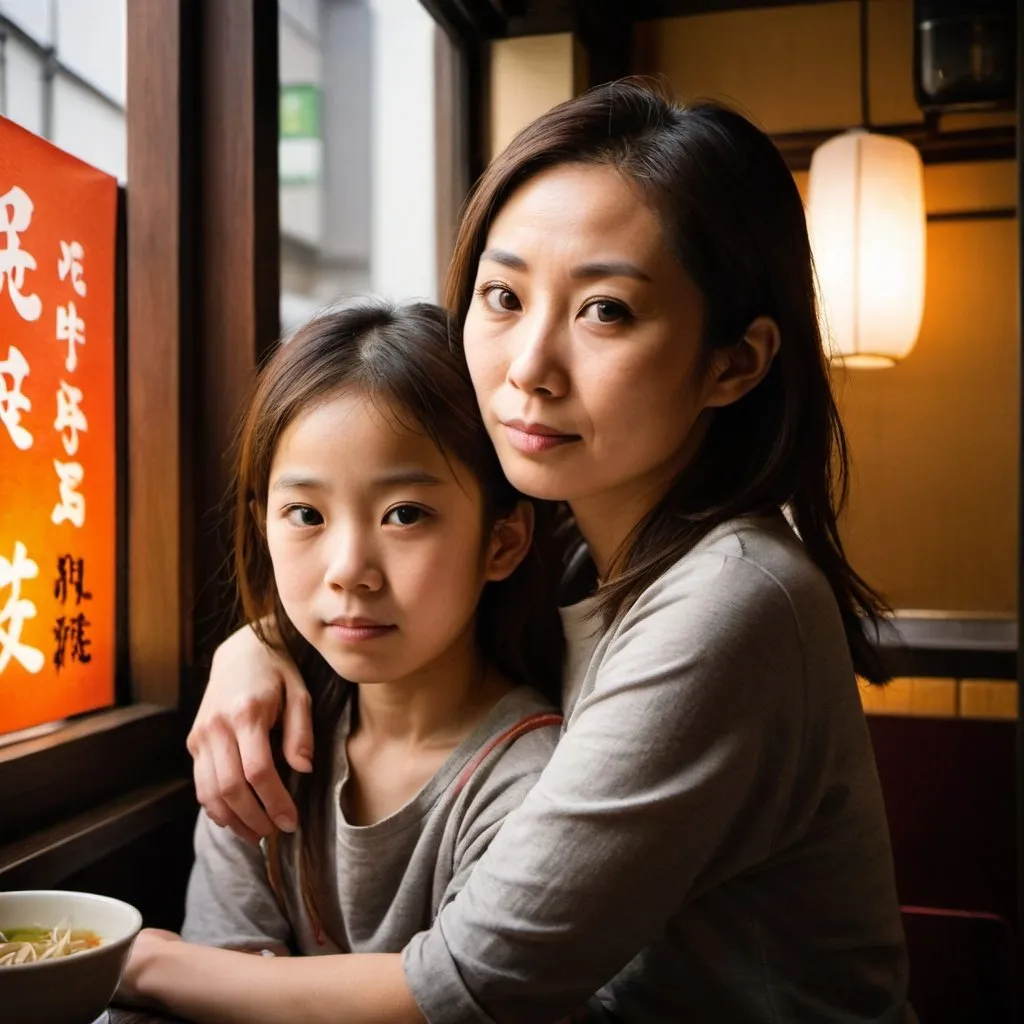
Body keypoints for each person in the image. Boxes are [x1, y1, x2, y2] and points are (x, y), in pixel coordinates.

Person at [130, 80, 913, 1022]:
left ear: (732, 362)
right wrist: (257, 642)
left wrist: (128, 963)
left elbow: (467, 988)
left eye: (606, 312)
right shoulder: (580, 545)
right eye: (503, 296)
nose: (527, 367)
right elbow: (388, 577)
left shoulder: (731, 599)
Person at [119, 301, 565, 1020]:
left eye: (406, 515)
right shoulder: (259, 737)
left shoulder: (534, 783)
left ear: (502, 542)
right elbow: (215, 987)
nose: (349, 569)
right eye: (307, 516)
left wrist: (151, 965)